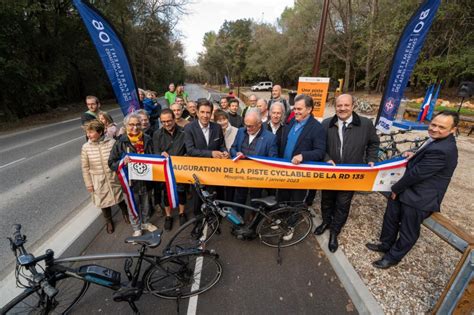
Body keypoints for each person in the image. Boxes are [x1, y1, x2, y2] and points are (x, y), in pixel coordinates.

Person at [367, 111, 459, 269]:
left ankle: (392, 258)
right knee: (391, 219)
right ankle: (385, 244)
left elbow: (417, 174)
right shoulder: (436, 141)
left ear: (453, 130)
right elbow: (423, 159)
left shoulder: (444, 149)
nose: (435, 129)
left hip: (420, 198)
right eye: (433, 124)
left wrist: (395, 189)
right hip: (407, 190)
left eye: (441, 127)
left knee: (408, 231)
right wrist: (414, 154)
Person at [314, 94, 380, 253]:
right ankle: (325, 222)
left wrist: (371, 158)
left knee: (343, 204)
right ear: (335, 106)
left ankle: (335, 232)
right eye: (339, 105)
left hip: (351, 174)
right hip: (330, 173)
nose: (342, 108)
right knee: (326, 200)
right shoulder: (326, 124)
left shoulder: (365, 124)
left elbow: (374, 143)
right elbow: (319, 146)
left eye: (346, 105)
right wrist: (326, 158)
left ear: (353, 106)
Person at [108, 112, 158, 237]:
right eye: (131, 125)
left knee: (146, 203)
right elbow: (111, 163)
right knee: (132, 206)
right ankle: (136, 227)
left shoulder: (147, 139)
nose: (135, 128)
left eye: (137, 124)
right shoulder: (121, 142)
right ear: (125, 125)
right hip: (129, 183)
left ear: (141, 125)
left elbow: (153, 156)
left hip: (145, 180)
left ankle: (146, 222)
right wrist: (122, 162)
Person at [81, 120, 130, 234]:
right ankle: (108, 221)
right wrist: (88, 183)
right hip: (98, 179)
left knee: (120, 198)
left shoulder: (112, 142)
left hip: (113, 176)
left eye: (91, 132)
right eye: (87, 133)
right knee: (103, 202)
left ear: (100, 132)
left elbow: (119, 159)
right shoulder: (85, 147)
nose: (88, 135)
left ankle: (126, 214)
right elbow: (85, 167)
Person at [277, 94, 326, 203]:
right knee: (282, 201)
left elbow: (320, 152)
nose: (295, 111)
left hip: (299, 175)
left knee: (295, 204)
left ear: (309, 109)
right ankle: (280, 219)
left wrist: (303, 156)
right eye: (294, 108)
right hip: (284, 172)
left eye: (299, 109)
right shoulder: (291, 122)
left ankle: (294, 220)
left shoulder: (317, 128)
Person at [184, 98, 228, 215]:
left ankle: (215, 221)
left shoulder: (217, 128)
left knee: (214, 197)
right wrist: (211, 154)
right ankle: (197, 224)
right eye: (202, 112)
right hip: (198, 172)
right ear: (197, 112)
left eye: (208, 112)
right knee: (198, 200)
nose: (205, 115)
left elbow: (221, 145)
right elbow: (190, 150)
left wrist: (224, 152)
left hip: (214, 171)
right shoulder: (189, 128)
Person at [230, 109, 278, 217]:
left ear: (259, 124)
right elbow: (232, 148)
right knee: (239, 199)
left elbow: (273, 160)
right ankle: (238, 220)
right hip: (240, 175)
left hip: (257, 178)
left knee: (255, 200)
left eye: (251, 126)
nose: (248, 129)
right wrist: (235, 153)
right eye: (246, 125)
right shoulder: (241, 131)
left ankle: (254, 222)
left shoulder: (270, 138)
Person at [153, 109, 188, 230]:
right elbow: (156, 152)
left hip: (180, 168)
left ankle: (181, 213)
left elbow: (189, 149)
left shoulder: (184, 132)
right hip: (165, 169)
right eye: (163, 122)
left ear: (174, 119)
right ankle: (168, 216)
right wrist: (161, 155)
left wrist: (183, 158)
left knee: (181, 190)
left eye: (169, 121)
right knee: (166, 193)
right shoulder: (157, 134)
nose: (166, 124)